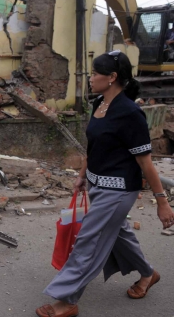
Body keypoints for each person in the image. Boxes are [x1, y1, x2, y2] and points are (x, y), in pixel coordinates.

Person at [35, 50, 174, 317]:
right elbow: (95, 146)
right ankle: (148, 274)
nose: (90, 78)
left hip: (119, 191)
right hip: (98, 186)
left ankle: (67, 300)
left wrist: (162, 202)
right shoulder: (99, 103)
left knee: (89, 239)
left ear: (112, 77)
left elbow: (146, 163)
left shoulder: (130, 113)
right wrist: (82, 176)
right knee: (120, 235)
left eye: (95, 73)